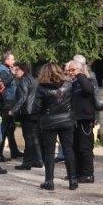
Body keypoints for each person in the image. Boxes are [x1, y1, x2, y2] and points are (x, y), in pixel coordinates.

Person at [34, 62, 76, 191]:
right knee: (68, 149)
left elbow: (37, 107)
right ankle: (73, 180)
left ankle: (49, 181)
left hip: (49, 122)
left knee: (49, 152)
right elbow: (73, 101)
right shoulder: (68, 85)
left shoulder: (41, 88)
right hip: (67, 120)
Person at [67, 60, 97, 183]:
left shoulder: (88, 81)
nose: (70, 72)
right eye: (69, 70)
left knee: (85, 148)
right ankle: (77, 173)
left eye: (73, 70)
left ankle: (88, 174)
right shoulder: (74, 83)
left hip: (85, 120)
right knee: (76, 148)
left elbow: (88, 90)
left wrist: (80, 74)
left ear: (80, 70)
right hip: (75, 120)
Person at [11, 62, 42, 170]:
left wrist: (13, 110)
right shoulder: (33, 80)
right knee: (34, 138)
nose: (15, 72)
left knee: (28, 138)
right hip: (34, 112)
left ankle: (27, 163)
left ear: (22, 70)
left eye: (17, 70)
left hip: (27, 113)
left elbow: (22, 97)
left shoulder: (23, 80)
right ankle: (38, 160)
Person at [0, 51, 22, 161]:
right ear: (6, 60)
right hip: (6, 103)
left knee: (10, 127)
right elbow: (2, 85)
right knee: (5, 129)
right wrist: (13, 75)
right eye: (12, 59)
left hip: (9, 102)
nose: (14, 61)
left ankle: (14, 151)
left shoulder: (5, 69)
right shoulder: (2, 70)